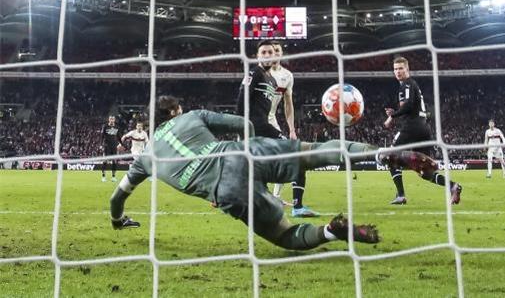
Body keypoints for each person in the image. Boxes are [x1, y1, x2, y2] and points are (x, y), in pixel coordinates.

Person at [109, 95, 444, 249]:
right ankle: (384, 155)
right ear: (176, 111)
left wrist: (117, 220)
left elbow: (118, 195)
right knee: (315, 152)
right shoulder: (192, 115)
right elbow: (243, 123)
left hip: (224, 190)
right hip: (240, 151)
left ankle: (331, 231)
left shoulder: (144, 158)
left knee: (284, 235)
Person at [237, 41, 316, 217]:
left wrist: (291, 129)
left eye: (270, 52)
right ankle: (295, 206)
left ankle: (279, 202)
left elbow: (284, 104)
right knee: (294, 157)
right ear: (258, 55)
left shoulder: (273, 79)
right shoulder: (254, 73)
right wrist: (243, 129)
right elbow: (241, 103)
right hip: (256, 127)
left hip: (266, 124)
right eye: (263, 52)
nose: (268, 55)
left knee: (256, 167)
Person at [383, 56, 463, 205]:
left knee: (390, 157)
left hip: (411, 127)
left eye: (401, 68)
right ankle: (453, 186)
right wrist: (397, 112)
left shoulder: (406, 85)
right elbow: (410, 107)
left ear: (407, 69)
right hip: (423, 128)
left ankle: (400, 195)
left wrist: (393, 116)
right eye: (395, 69)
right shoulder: (412, 85)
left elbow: (408, 104)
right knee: (425, 171)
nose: (398, 72)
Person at [100, 115, 123, 183]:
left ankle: (113, 177)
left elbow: (119, 137)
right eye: (110, 119)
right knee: (105, 161)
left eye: (113, 119)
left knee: (114, 161)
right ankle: (103, 176)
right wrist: (101, 145)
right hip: (107, 146)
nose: (112, 120)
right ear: (109, 119)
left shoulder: (117, 127)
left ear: (114, 120)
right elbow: (102, 136)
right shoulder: (105, 126)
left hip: (114, 147)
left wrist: (122, 144)